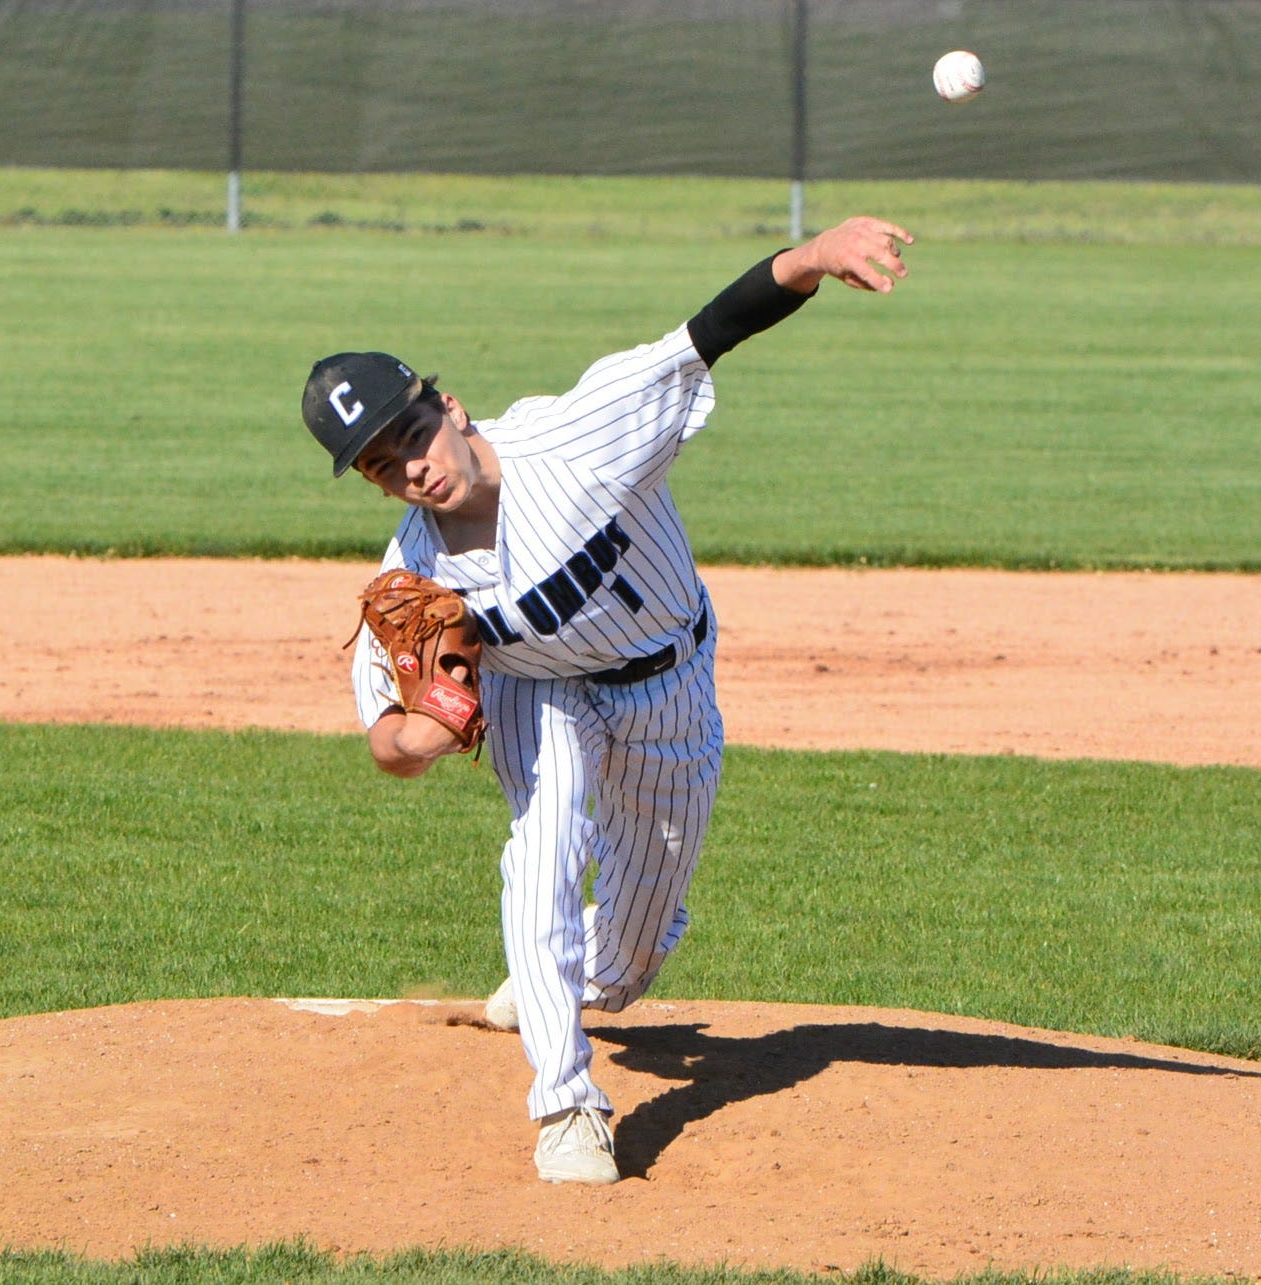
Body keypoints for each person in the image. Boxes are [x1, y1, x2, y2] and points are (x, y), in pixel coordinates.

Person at [299, 216, 914, 1185]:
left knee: (623, 965)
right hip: (539, 698)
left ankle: (551, 978)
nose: (410, 466)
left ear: (449, 407)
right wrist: (418, 734)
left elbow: (706, 335)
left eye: (409, 434)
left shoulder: (576, 434)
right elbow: (385, 735)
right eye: (381, 464)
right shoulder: (412, 574)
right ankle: (567, 1108)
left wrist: (809, 258)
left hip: (668, 680)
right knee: (539, 856)